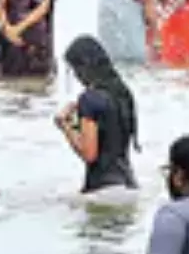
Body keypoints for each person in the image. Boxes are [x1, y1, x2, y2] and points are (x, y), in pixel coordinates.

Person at [58, 36, 139, 198]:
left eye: (75, 70)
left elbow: (89, 154)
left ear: (83, 67)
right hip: (129, 184)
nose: (76, 76)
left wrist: (64, 125)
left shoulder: (89, 99)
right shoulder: (123, 93)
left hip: (102, 189)